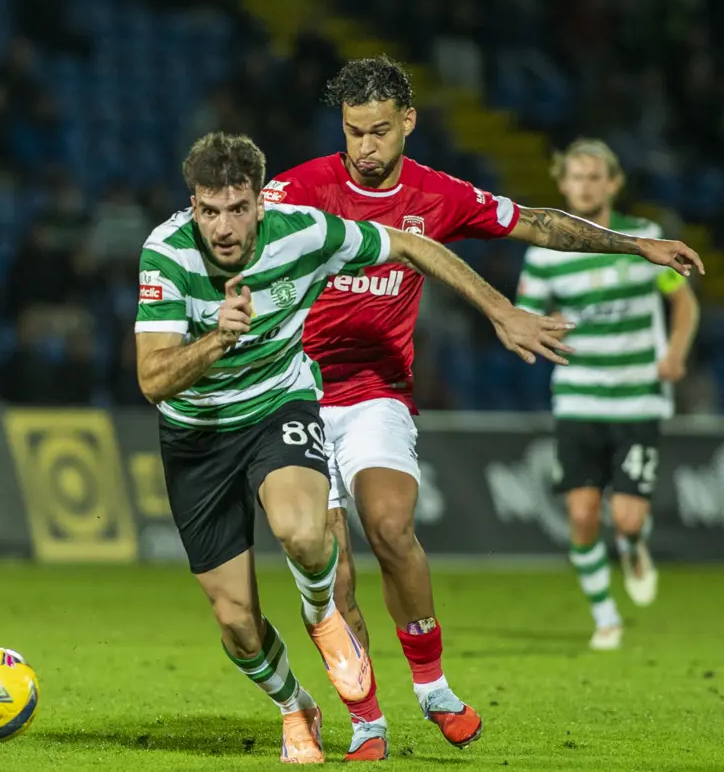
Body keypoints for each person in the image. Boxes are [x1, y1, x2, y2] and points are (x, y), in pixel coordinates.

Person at [262, 55, 704, 759]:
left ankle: (433, 686)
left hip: (376, 390)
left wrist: (635, 245)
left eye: (379, 131)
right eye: (353, 132)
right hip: (294, 395)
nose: (365, 148)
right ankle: (367, 720)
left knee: (391, 527)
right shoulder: (297, 190)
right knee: (333, 569)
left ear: (409, 121)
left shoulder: (436, 194)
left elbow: (537, 223)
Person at [135, 132, 571, 764]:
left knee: (303, 533)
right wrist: (217, 340)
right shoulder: (167, 253)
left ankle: (322, 616)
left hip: (277, 405)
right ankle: (295, 705)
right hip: (196, 435)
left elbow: (411, 245)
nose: (223, 227)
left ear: (260, 202)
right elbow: (152, 380)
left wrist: (499, 310)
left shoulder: (305, 233)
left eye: (237, 209)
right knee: (236, 622)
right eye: (209, 210)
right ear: (192, 205)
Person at [516, 139, 700, 651]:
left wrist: (676, 353)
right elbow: (525, 314)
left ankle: (634, 543)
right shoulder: (545, 253)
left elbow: (683, 303)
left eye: (595, 177)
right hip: (578, 398)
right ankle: (605, 617)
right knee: (581, 515)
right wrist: (542, 326)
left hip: (638, 397)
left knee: (626, 518)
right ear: (563, 185)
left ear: (613, 184)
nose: (585, 186)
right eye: (576, 177)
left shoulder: (647, 239)